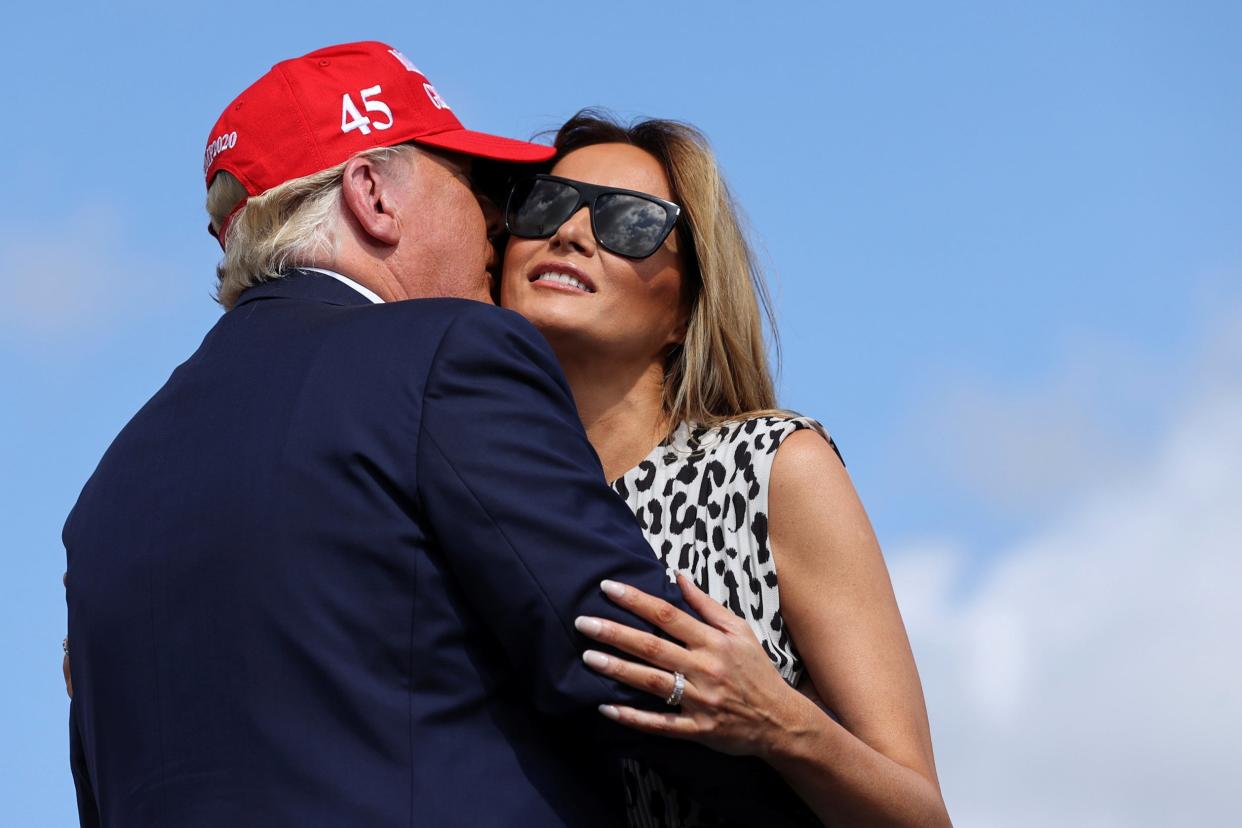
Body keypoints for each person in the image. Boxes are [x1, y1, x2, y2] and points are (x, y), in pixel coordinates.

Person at [62, 42, 815, 827]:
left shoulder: (107, 496)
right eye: (469, 181)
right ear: (373, 198)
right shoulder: (444, 354)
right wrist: (817, 784)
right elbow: (628, 653)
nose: (496, 222)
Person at [494, 111, 952, 826]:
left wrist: (778, 723)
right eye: (546, 202)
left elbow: (921, 815)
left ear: (684, 307)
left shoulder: (776, 470)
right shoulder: (478, 488)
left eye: (630, 222)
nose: (572, 232)